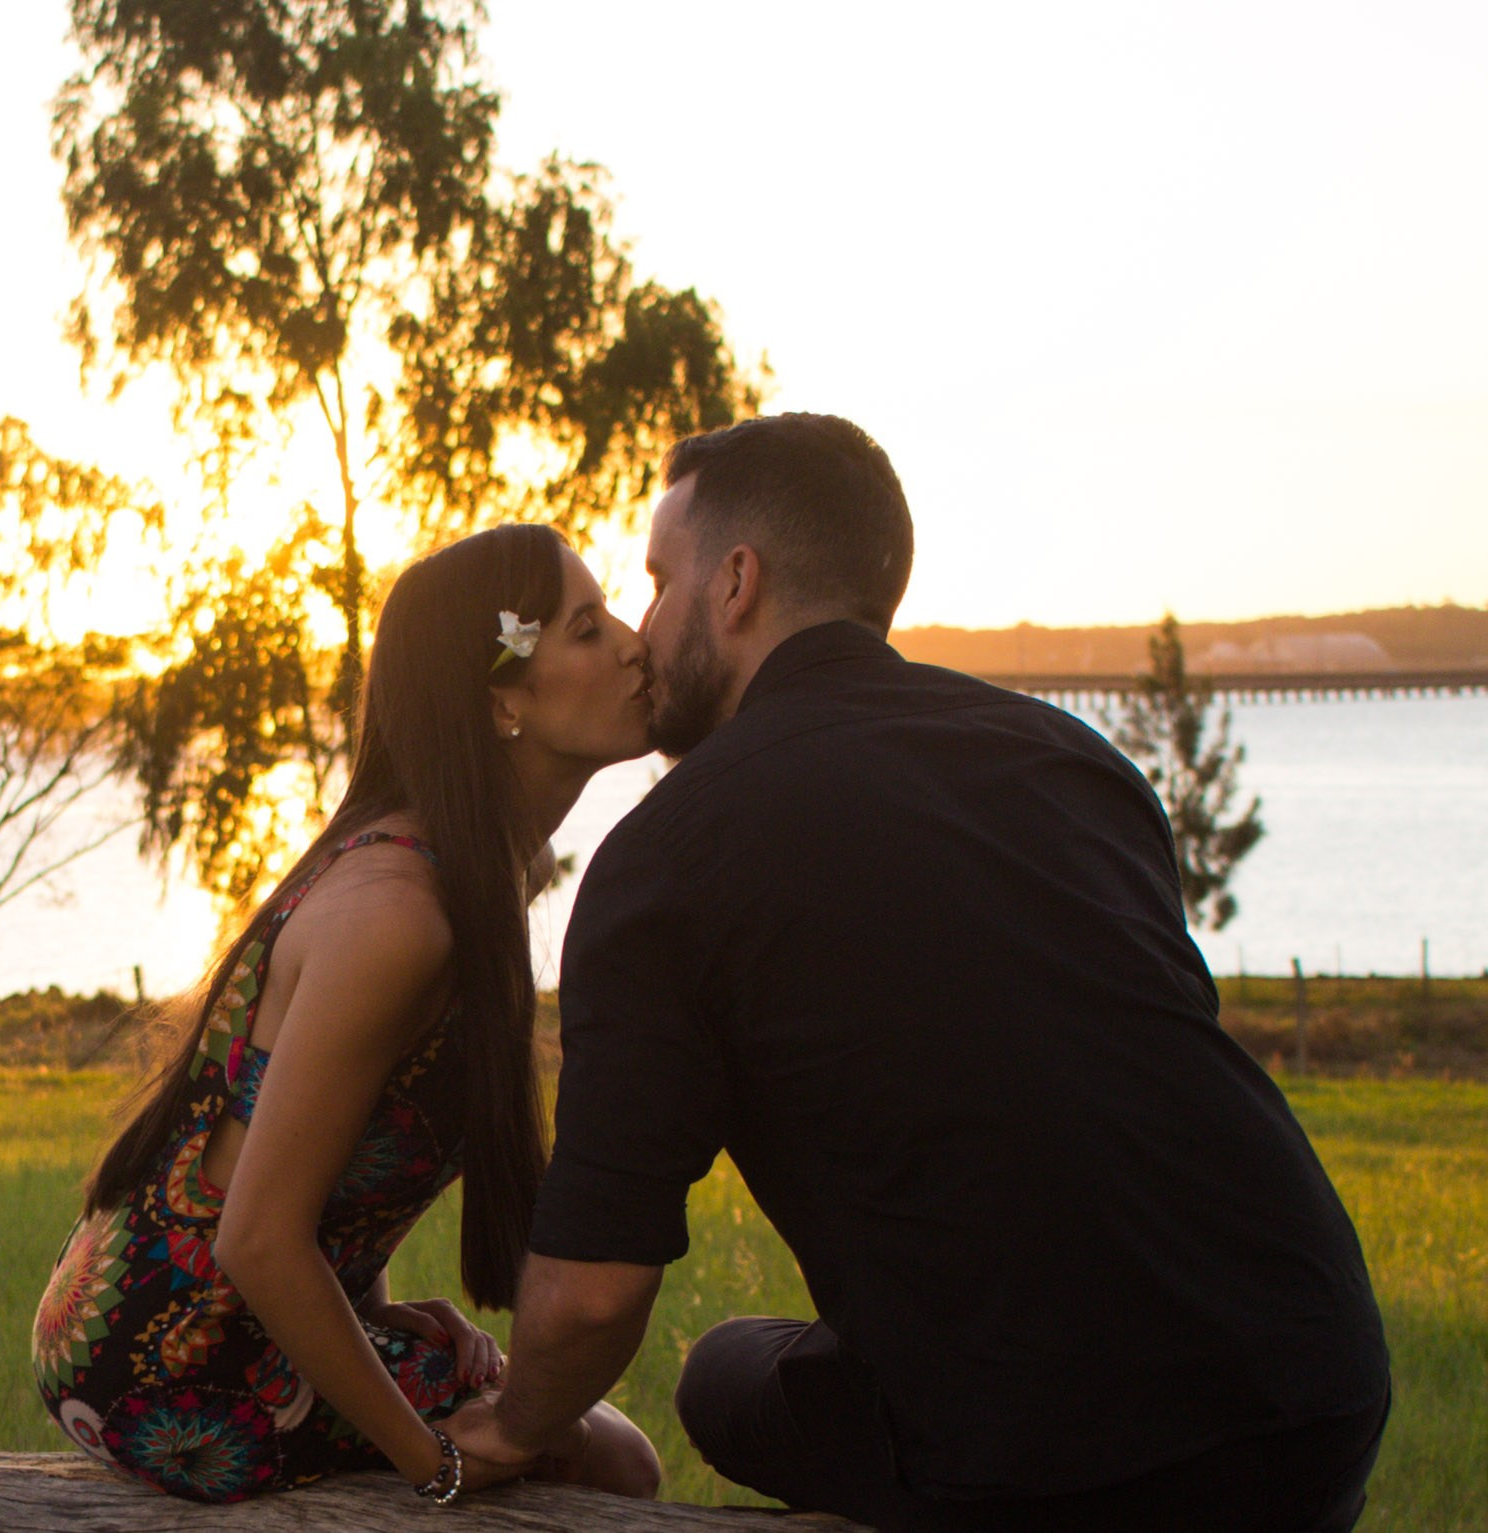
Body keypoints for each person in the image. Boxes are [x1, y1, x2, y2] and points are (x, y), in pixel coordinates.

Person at [447, 414, 1389, 1531]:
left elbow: (592, 1296)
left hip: (1051, 1462)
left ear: (735, 584)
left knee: (723, 1377)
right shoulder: (1076, 761)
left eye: (657, 582)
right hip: (1314, 1392)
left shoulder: (671, 855)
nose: (644, 634)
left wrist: (507, 1430)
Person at [30, 523, 664, 1503]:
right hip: (169, 1364)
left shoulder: (476, 873)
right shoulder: (399, 915)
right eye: (586, 629)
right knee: (612, 1463)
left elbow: (325, 1146)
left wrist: (374, 1308)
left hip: (189, 1323)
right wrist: (437, 1463)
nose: (633, 642)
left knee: (573, 1433)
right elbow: (254, 1236)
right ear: (501, 700)